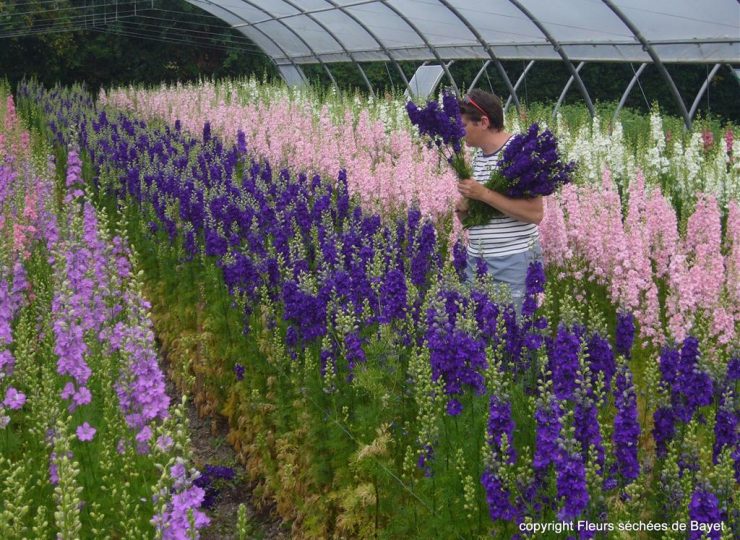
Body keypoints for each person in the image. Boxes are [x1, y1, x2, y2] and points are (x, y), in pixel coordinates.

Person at [454, 89, 543, 314]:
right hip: (478, 262)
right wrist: (464, 212)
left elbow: (534, 214)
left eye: (463, 125)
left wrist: (483, 194)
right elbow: (487, 218)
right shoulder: (479, 157)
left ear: (483, 122)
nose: (458, 132)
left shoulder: (520, 154)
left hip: (512, 264)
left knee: (513, 336)